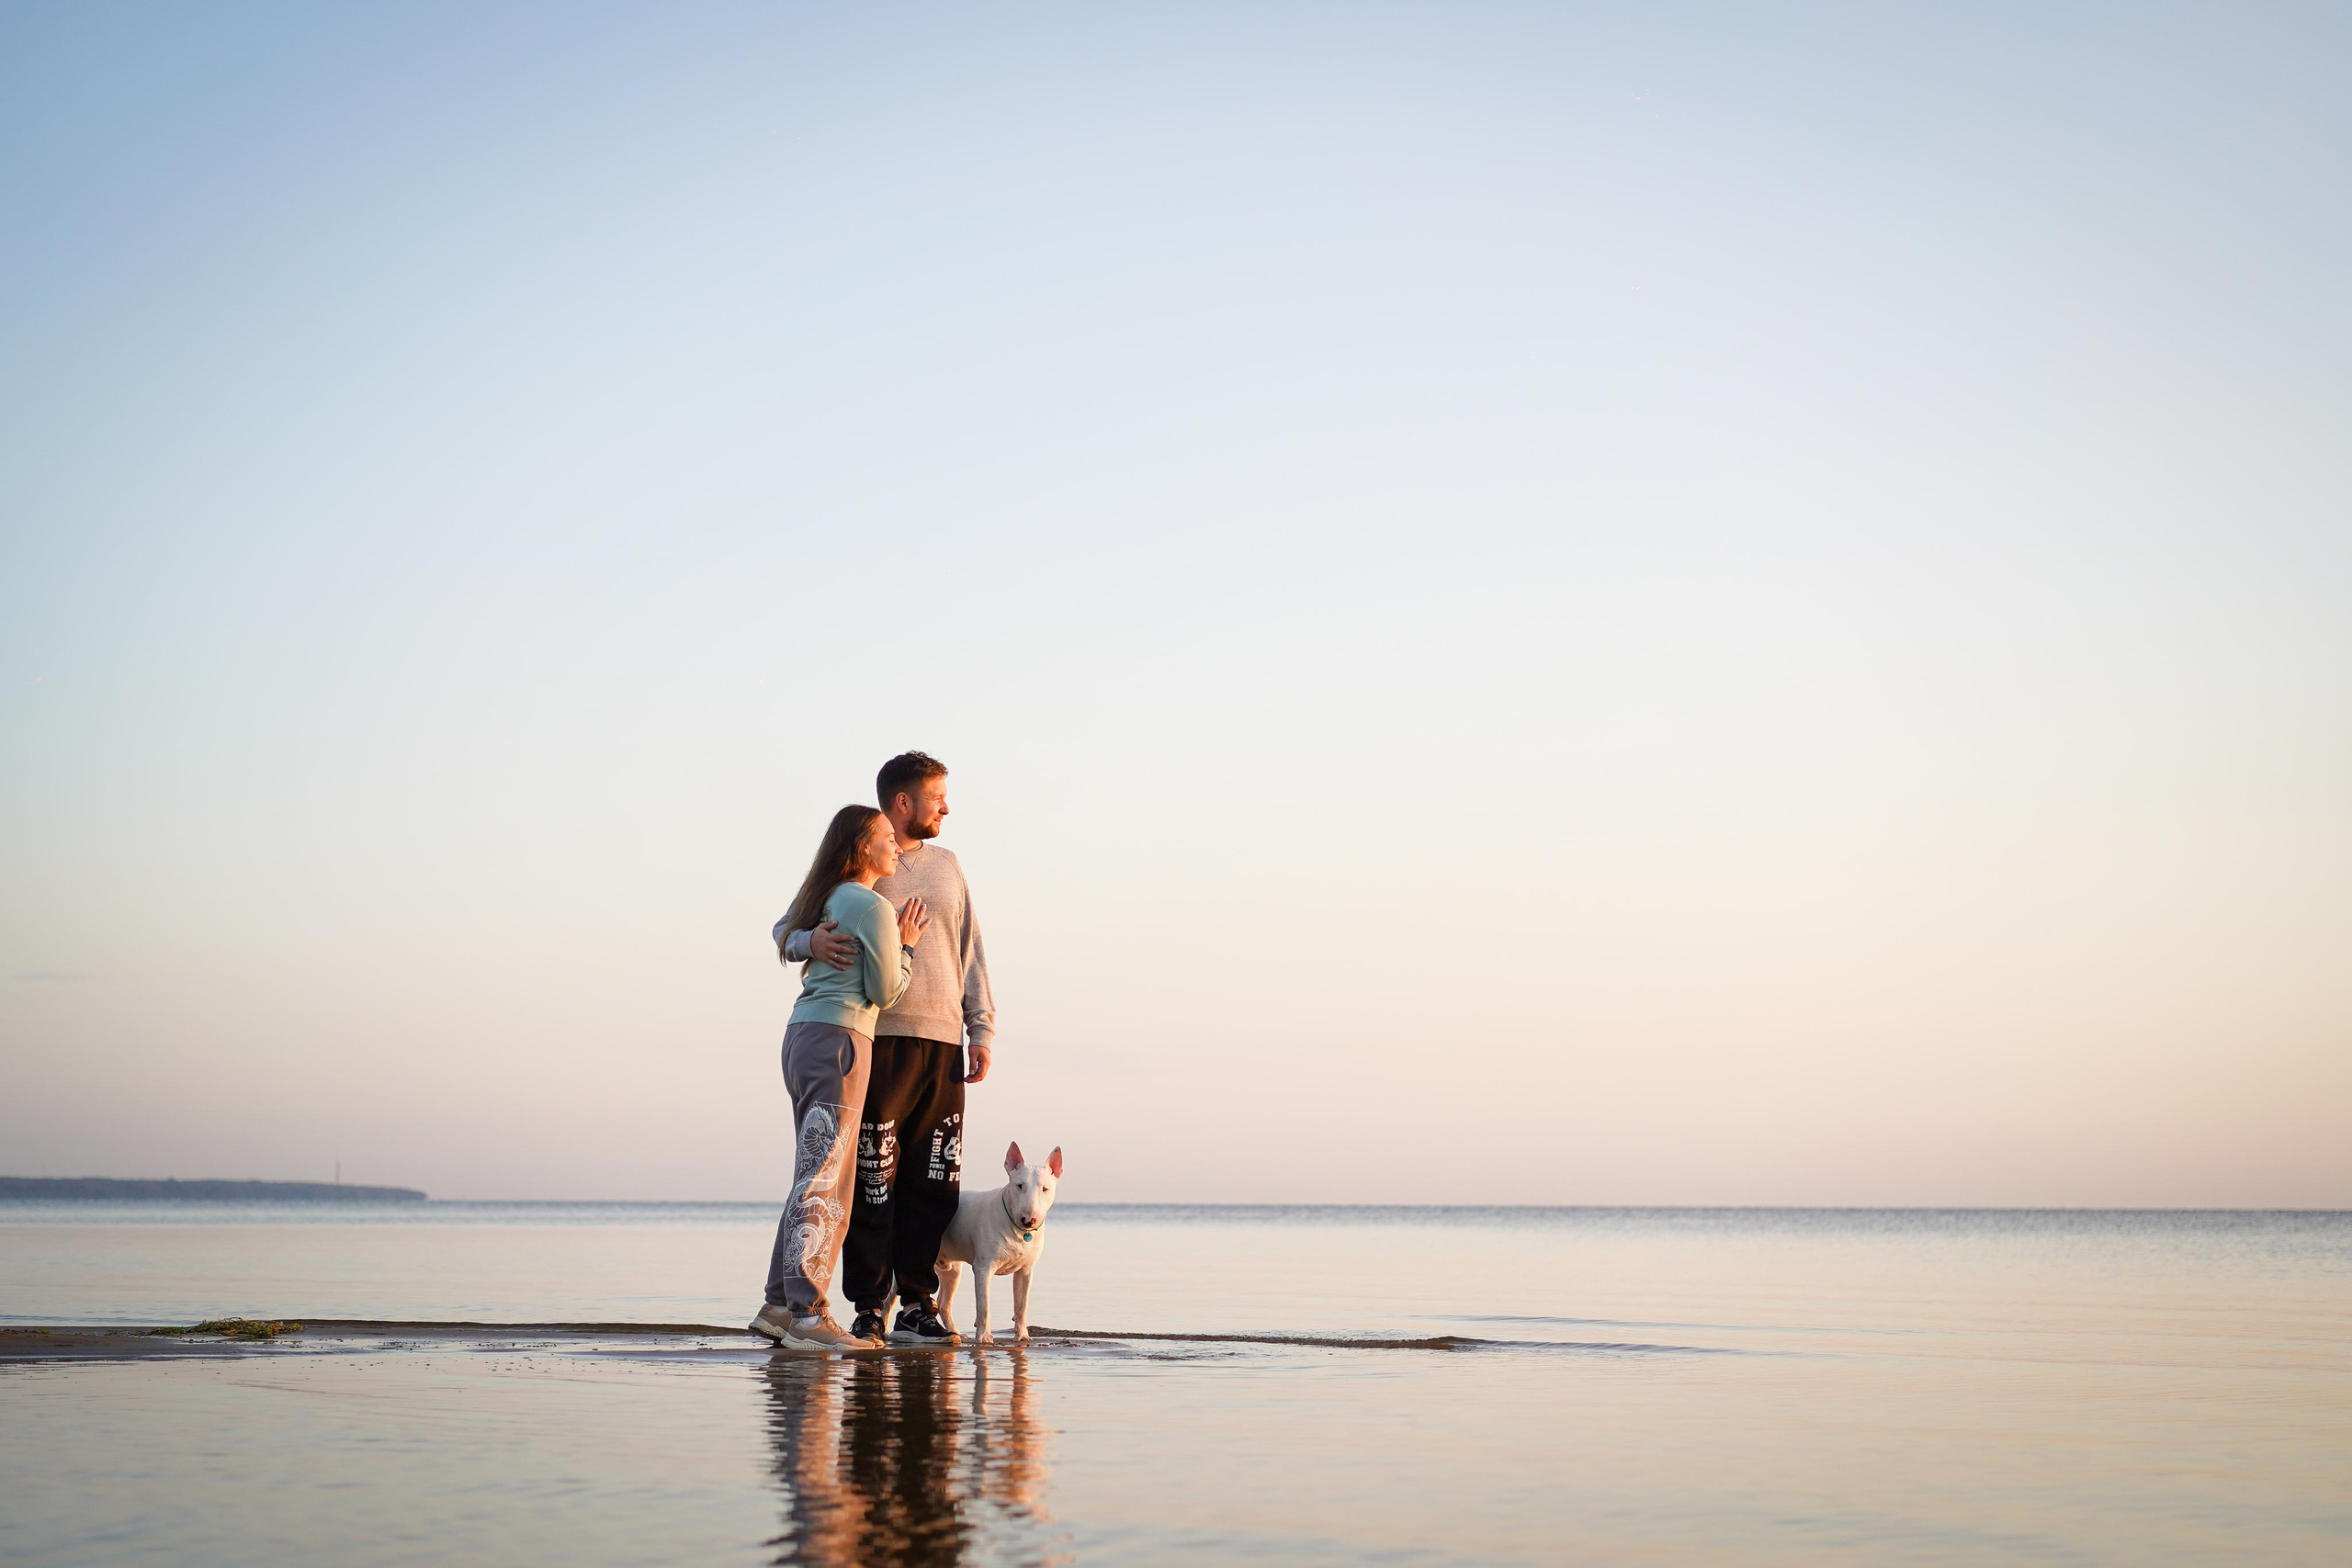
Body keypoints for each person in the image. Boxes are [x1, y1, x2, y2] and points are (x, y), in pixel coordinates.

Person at [775, 750, 995, 1347]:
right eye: (937, 796)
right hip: (877, 1039)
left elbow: (970, 949)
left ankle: (918, 1303)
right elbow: (785, 928)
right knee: (874, 1176)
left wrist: (981, 1028)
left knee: (934, 1177)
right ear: (904, 801)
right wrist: (809, 940)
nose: (946, 807)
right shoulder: (865, 864)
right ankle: (869, 1305)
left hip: (944, 1040)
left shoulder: (947, 866)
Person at [753, 803, 932, 1350]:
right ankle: (809, 1316)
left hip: (803, 1037)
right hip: (841, 1042)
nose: (896, 846)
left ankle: (779, 1306)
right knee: (827, 1179)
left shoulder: (827, 895)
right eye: (886, 837)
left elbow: (783, 930)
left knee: (812, 1173)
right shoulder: (872, 906)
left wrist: (806, 942)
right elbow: (885, 991)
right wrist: (905, 945)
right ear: (861, 848)